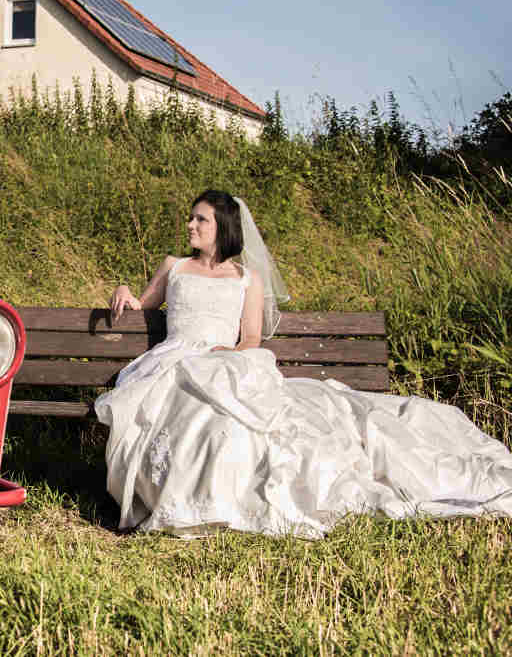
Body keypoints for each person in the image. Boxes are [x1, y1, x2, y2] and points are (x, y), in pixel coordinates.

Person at [95, 189, 512, 538]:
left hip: (226, 362)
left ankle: (228, 498)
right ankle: (191, 501)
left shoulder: (246, 279)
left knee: (243, 422)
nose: (190, 226)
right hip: (176, 361)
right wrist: (123, 288)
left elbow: (252, 338)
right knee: (195, 419)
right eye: (191, 219)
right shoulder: (175, 266)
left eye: (200, 220)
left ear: (222, 227)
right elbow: (142, 304)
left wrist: (232, 356)